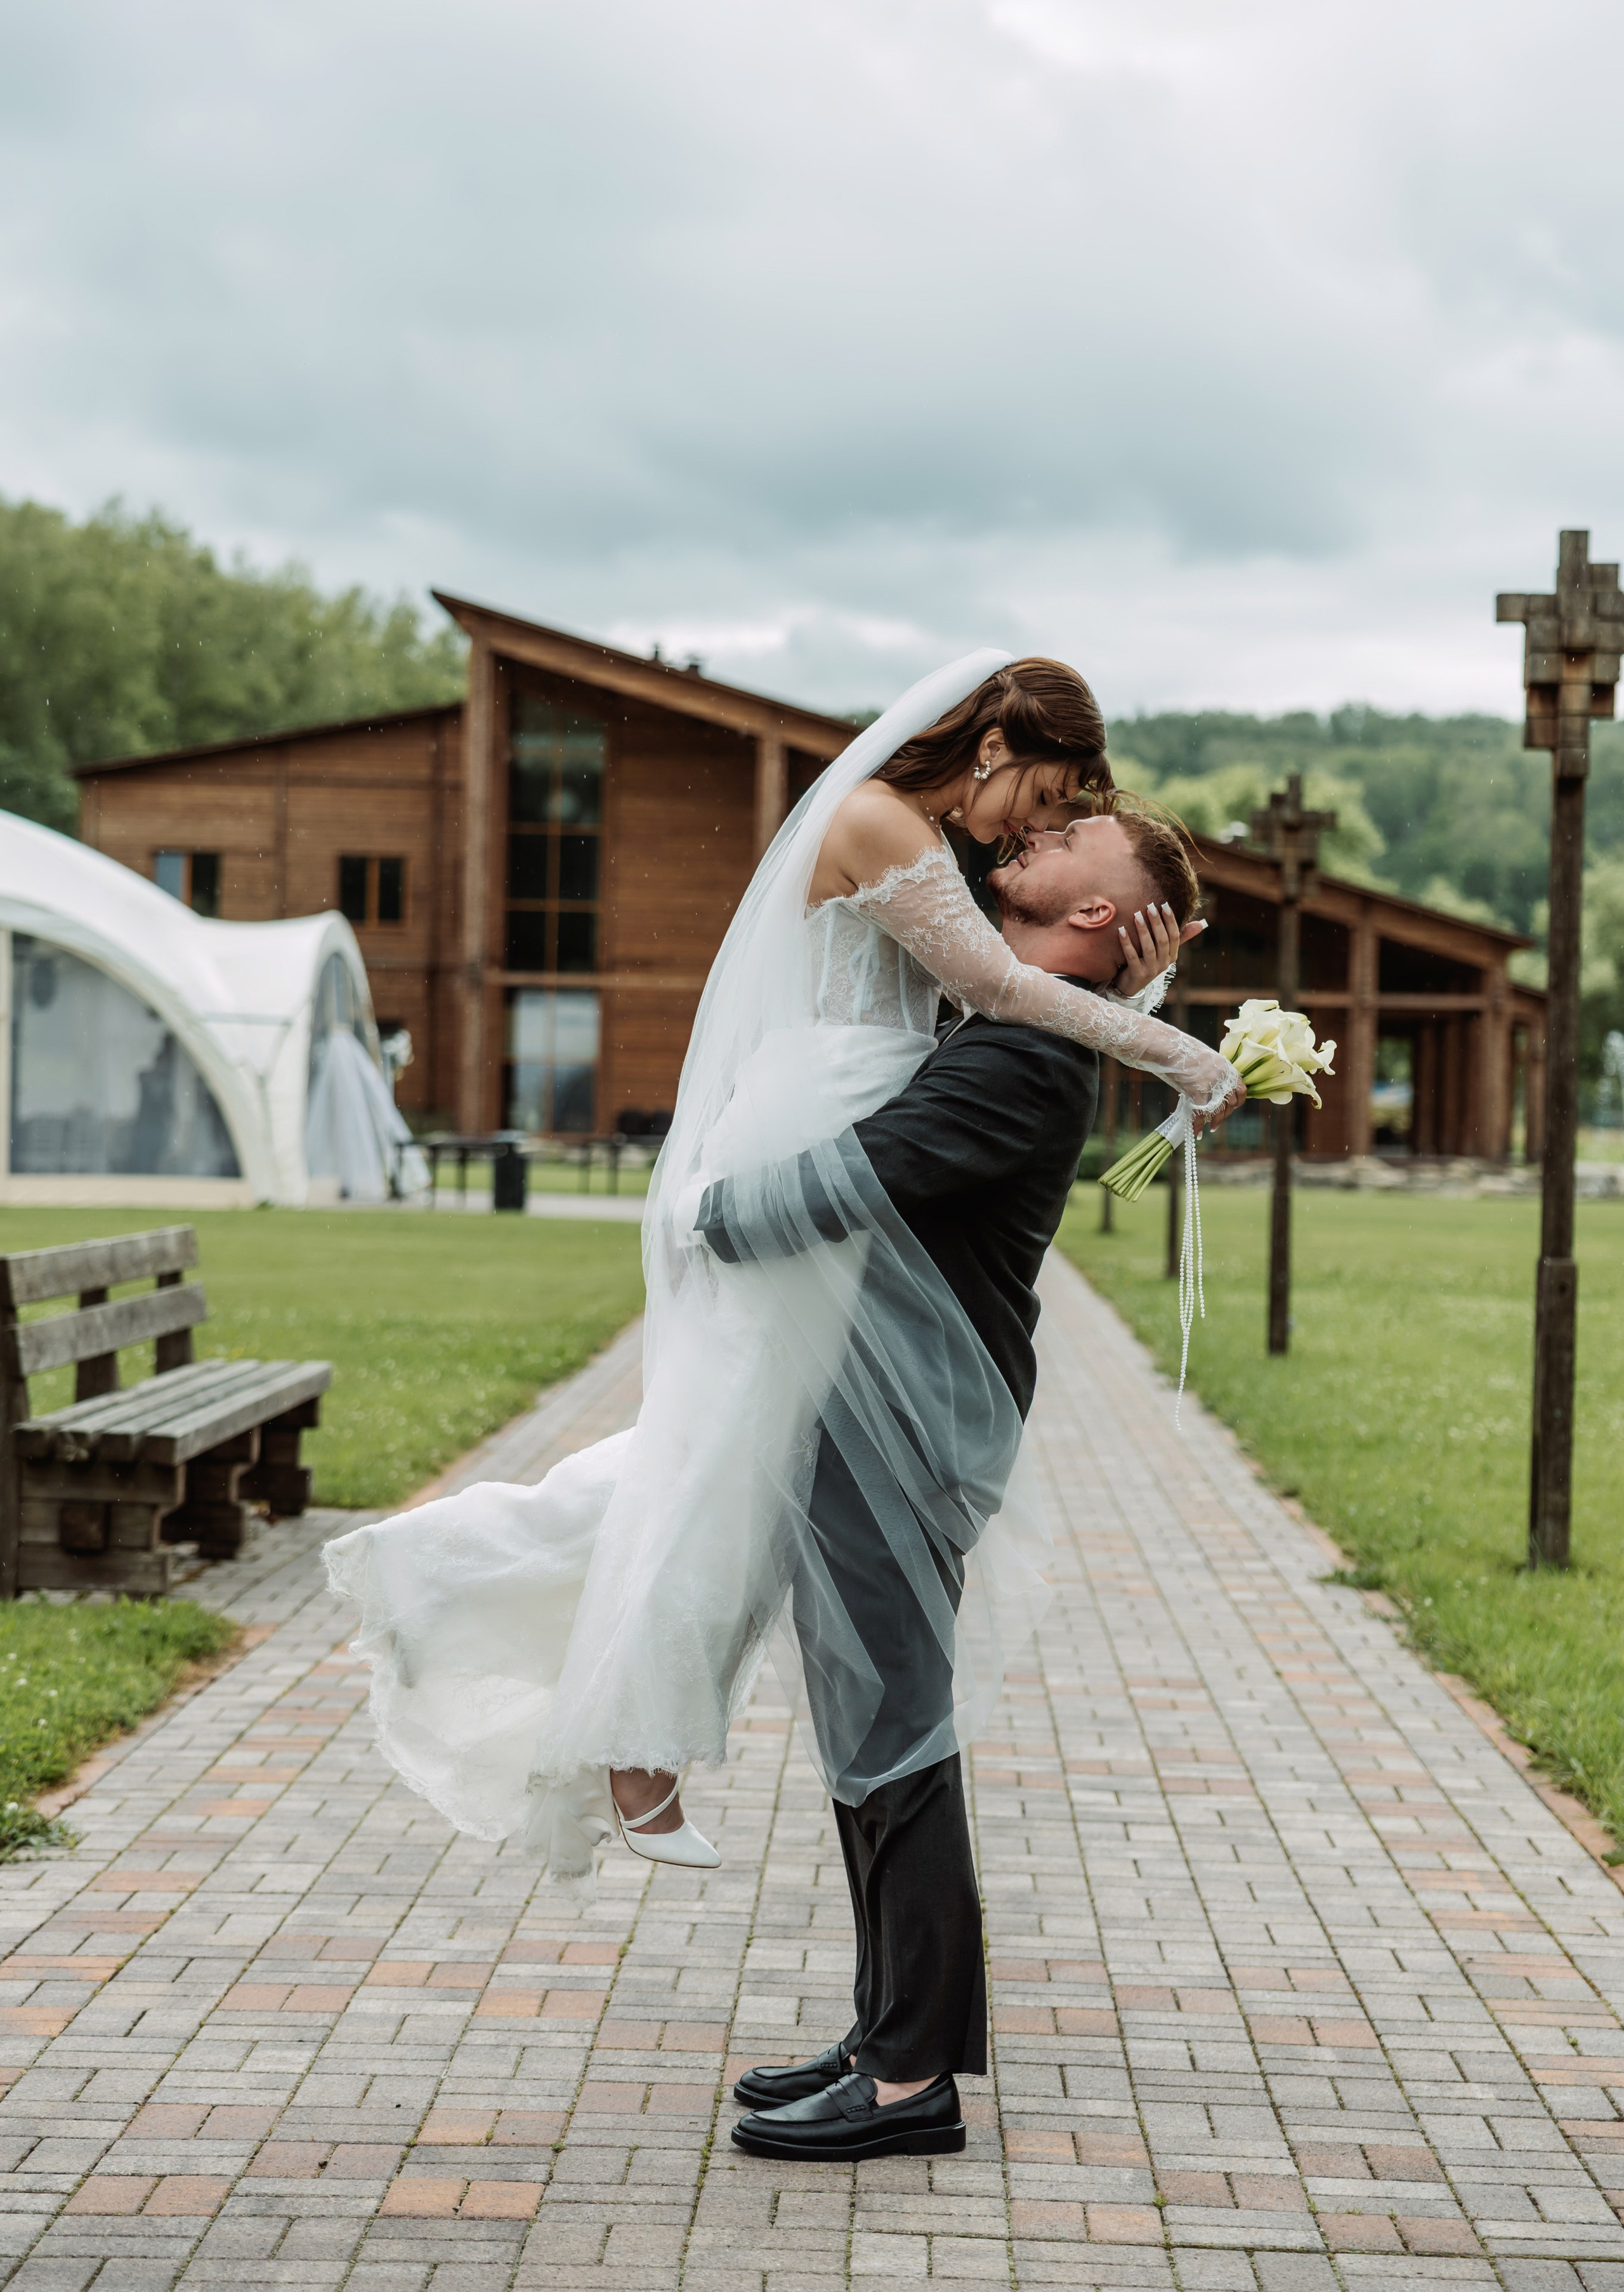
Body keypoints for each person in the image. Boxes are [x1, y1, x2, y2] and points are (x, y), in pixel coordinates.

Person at [323, 652, 1239, 1890]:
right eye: (1048, 791)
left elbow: (1036, 965)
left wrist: (1140, 969)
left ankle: (452, 1578)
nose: (1039, 824)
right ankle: (632, 1751)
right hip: (806, 1126)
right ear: (991, 746)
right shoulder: (872, 821)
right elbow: (994, 985)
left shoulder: (934, 843)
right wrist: (1173, 1049)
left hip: (844, 1124)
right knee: (728, 1455)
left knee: (723, 1446)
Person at [702, 808, 1200, 2161]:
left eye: (1077, 835)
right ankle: (884, 2033)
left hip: (908, 1430)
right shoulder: (1019, 1016)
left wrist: (707, 1215)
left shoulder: (1029, 1057)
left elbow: (870, 1173)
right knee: (871, 1730)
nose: (1041, 826)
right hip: (881, 1416)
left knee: (898, 1742)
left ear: (1099, 917)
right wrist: (1142, 996)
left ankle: (911, 2079)